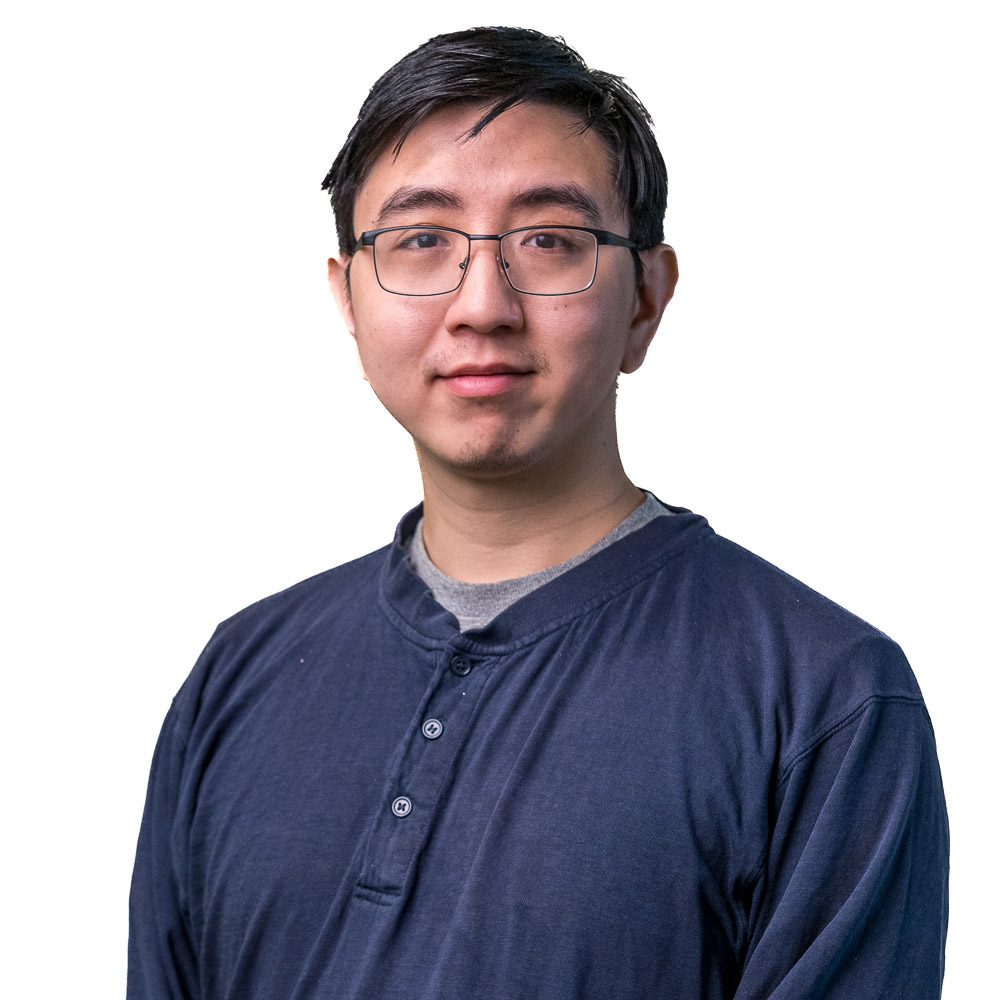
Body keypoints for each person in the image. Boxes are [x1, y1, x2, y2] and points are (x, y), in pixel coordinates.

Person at [127, 26, 948, 999]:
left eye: (549, 241)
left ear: (646, 296)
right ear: (347, 295)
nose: (482, 303)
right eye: (420, 240)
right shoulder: (238, 675)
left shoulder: (824, 698)